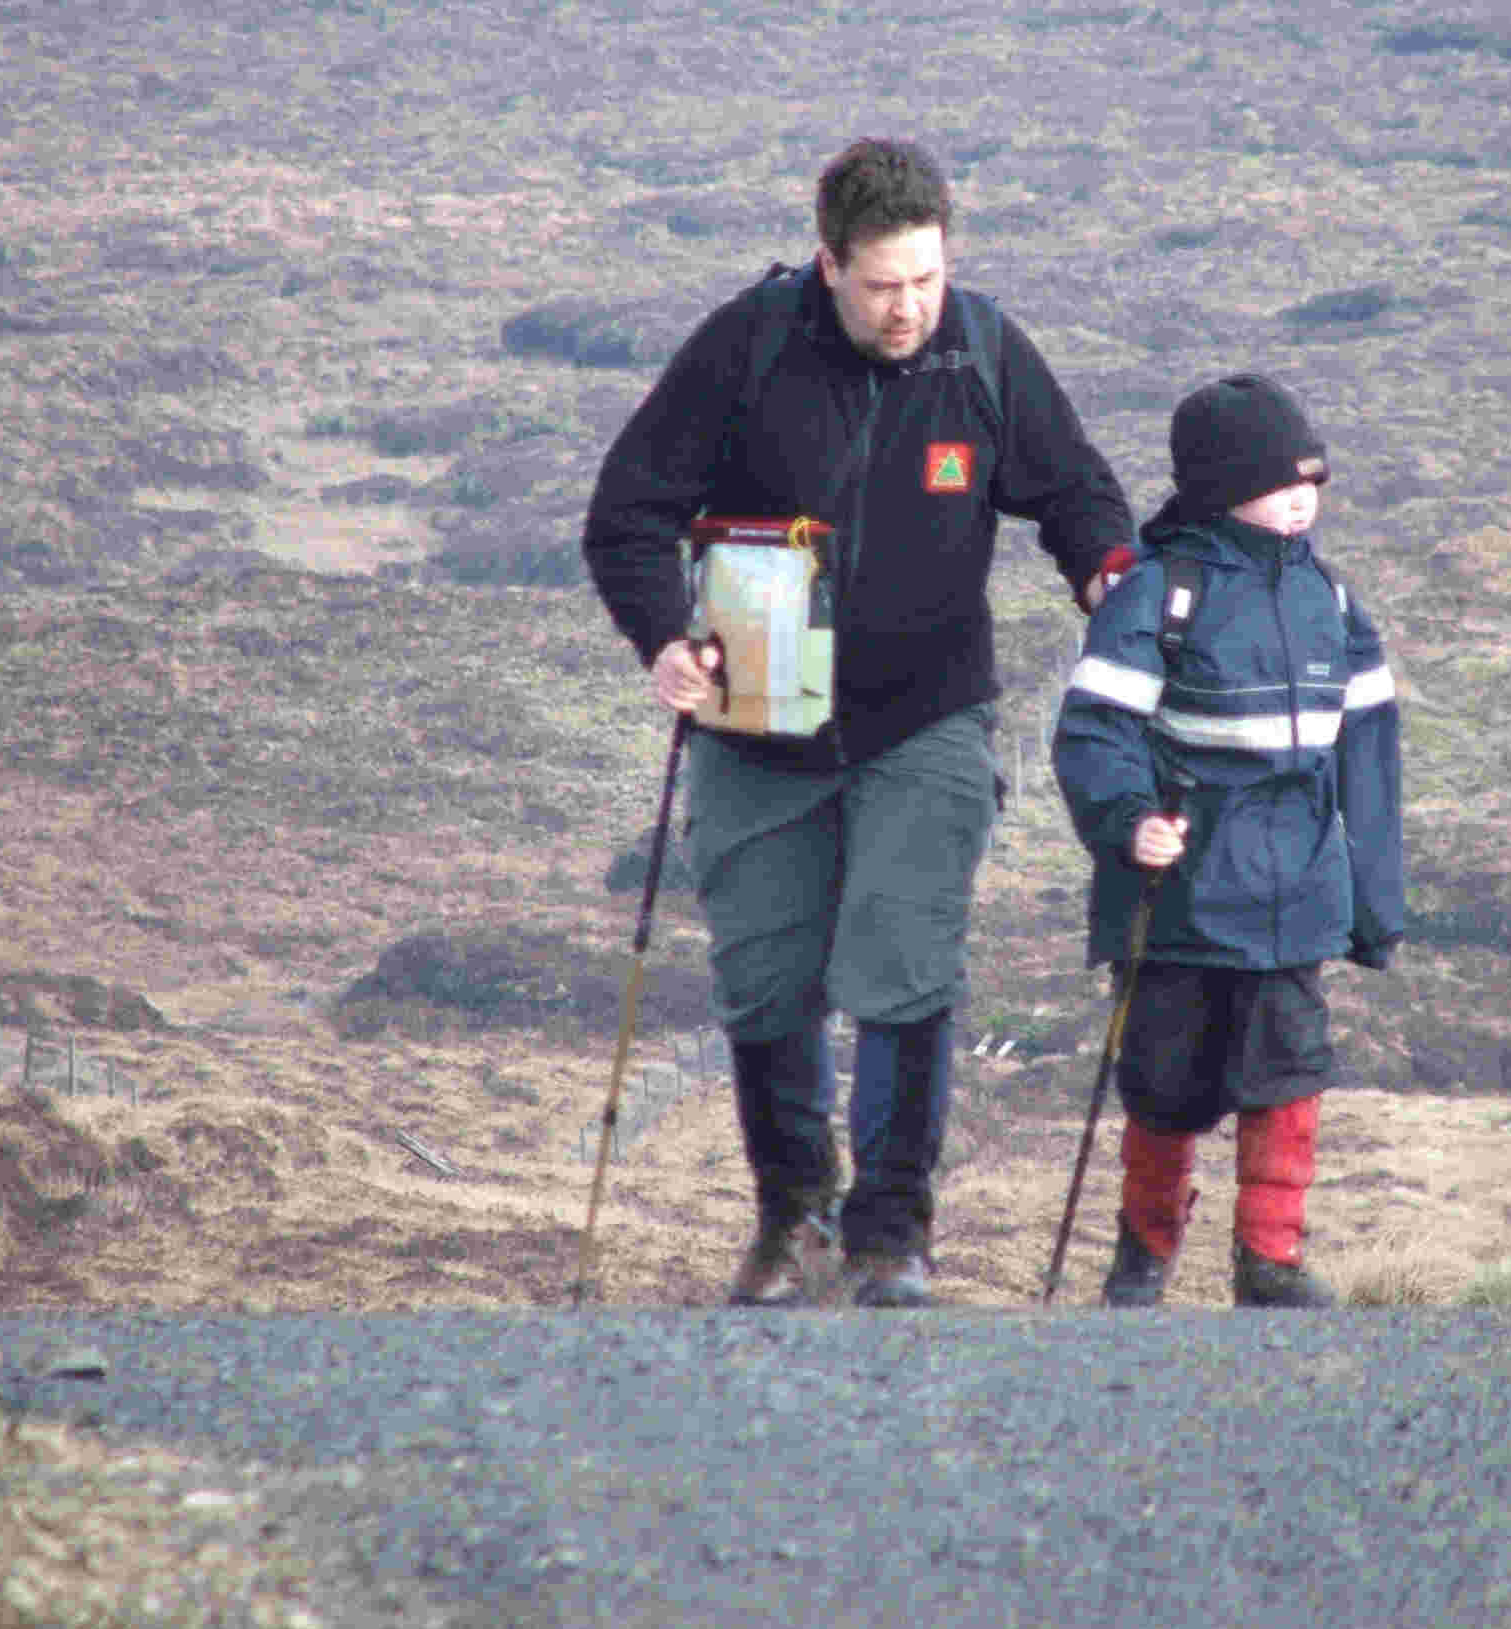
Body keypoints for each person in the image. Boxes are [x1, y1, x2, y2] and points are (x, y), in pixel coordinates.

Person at [582, 139, 1133, 1308]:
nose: (909, 307)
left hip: (925, 720)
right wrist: (661, 639)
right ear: (827, 261)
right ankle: (795, 1219)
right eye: (883, 284)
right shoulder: (746, 348)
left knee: (902, 966)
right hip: (753, 722)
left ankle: (891, 1233)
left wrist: (1107, 576)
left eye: (926, 278)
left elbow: (1075, 493)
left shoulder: (981, 351)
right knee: (766, 983)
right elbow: (626, 512)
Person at [1051, 373, 1405, 1308]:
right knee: (1164, 1087)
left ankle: (1270, 1261)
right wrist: (1129, 822)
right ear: (1217, 488)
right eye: (1278, 480)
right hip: (1180, 903)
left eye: (1313, 481)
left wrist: (1374, 903)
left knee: (1288, 1077)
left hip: (1296, 902)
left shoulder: (1330, 600)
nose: (1302, 496)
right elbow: (1094, 731)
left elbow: (1368, 759)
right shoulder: (1159, 596)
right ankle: (1143, 1255)